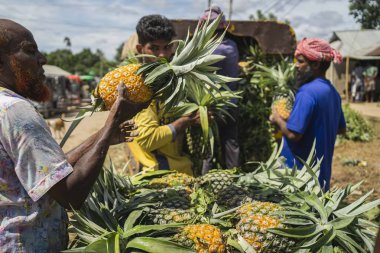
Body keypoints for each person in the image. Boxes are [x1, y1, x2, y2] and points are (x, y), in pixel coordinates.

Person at [0, 19, 147, 252]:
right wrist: (112, 121)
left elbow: (51, 173)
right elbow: (70, 194)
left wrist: (104, 134)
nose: (43, 59)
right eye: (29, 50)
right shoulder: (16, 111)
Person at [127, 15, 200, 175]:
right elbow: (147, 139)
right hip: (154, 173)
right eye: (154, 48)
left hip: (176, 167)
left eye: (166, 48)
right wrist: (182, 123)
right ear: (140, 50)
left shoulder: (171, 81)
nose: (162, 55)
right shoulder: (140, 87)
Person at [270, 38, 346, 191]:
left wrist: (277, 119)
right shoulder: (333, 93)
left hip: (297, 176)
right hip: (321, 176)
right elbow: (341, 129)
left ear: (316, 64)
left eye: (300, 61)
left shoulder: (307, 92)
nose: (296, 66)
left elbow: (293, 135)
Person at [199, 5, 241, 175]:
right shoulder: (231, 46)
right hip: (231, 103)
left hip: (210, 106)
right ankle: (234, 177)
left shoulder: (206, 48)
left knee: (208, 146)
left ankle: (203, 179)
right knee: (231, 143)